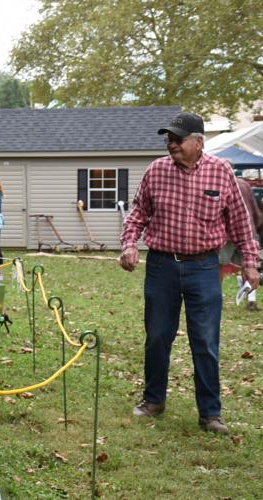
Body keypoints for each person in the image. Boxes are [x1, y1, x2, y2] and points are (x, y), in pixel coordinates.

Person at [119, 111, 260, 434]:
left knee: (206, 341)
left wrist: (250, 262)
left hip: (204, 267)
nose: (171, 144)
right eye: (168, 139)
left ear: (199, 142)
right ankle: (154, 400)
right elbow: (138, 212)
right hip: (161, 265)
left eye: (178, 139)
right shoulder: (156, 171)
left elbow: (240, 221)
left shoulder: (221, 172)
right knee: (157, 337)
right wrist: (129, 244)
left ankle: (210, 413)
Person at [218, 172, 263, 310]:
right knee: (248, 265)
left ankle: (216, 299)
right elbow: (254, 209)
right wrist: (255, 227)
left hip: (226, 233)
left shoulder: (219, 183)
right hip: (247, 230)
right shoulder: (244, 184)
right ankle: (251, 300)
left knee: (218, 266)